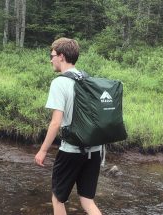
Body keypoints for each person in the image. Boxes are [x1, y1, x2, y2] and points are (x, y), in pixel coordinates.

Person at [34, 37, 103, 215]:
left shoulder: (60, 82)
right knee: (87, 202)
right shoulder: (88, 80)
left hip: (71, 151)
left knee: (58, 198)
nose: (51, 59)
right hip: (94, 150)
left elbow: (56, 122)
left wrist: (43, 150)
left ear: (62, 56)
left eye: (52, 55)